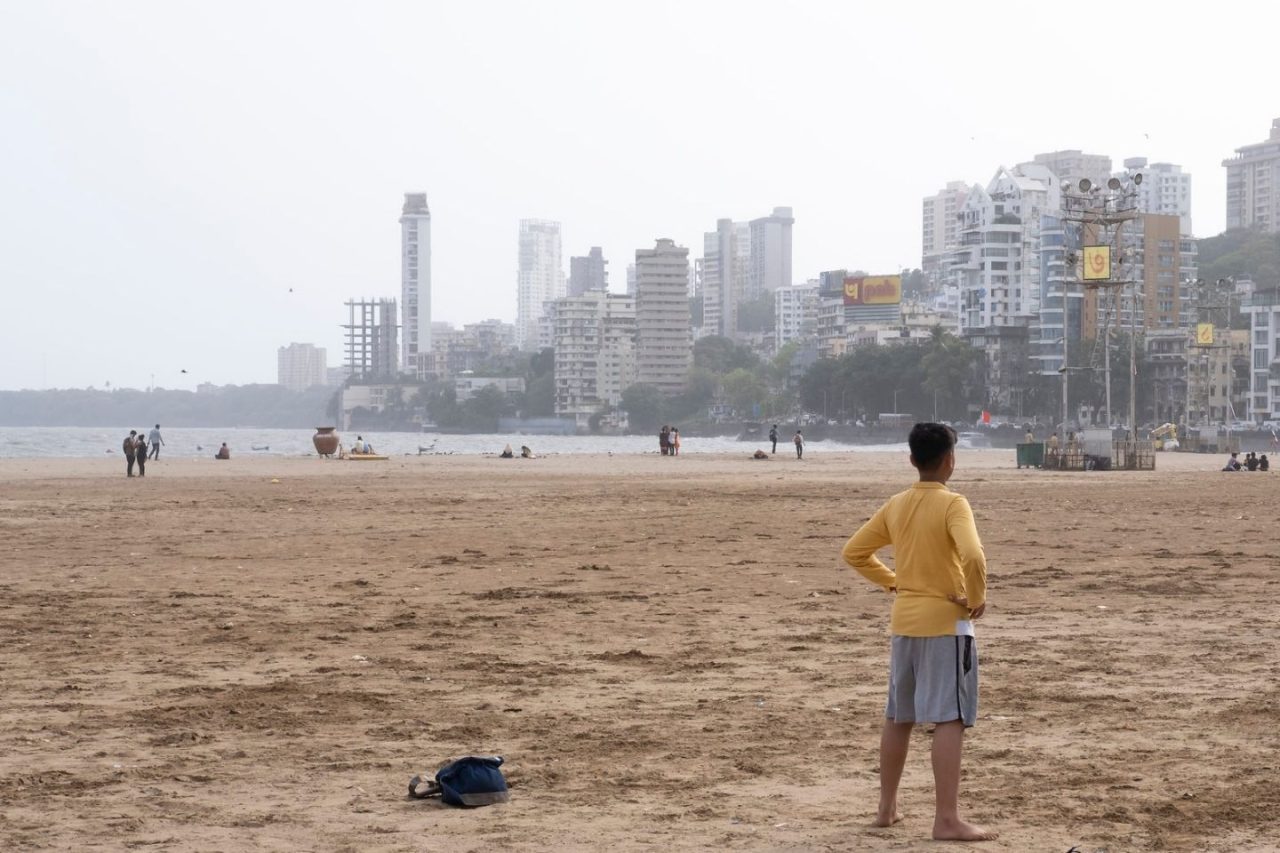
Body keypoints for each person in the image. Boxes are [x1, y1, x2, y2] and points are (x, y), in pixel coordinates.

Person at [841, 422, 995, 842]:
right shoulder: (952, 504)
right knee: (950, 718)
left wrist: (894, 581)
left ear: (912, 460)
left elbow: (854, 551)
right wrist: (976, 596)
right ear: (950, 460)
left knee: (899, 715)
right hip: (946, 622)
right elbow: (974, 555)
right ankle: (946, 818)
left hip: (904, 620)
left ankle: (886, 807)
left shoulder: (897, 504)